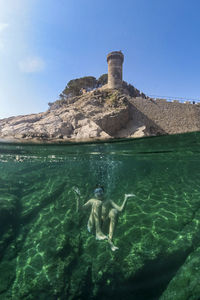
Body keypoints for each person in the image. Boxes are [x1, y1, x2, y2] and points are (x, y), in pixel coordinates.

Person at [73, 186, 135, 251]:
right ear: (94, 194)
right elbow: (79, 210)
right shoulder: (92, 201)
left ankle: (110, 241)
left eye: (100, 191)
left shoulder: (109, 201)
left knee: (114, 212)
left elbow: (120, 210)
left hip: (103, 228)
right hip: (92, 226)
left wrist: (126, 198)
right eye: (97, 192)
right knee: (98, 203)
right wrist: (78, 197)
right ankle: (98, 233)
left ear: (103, 192)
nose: (99, 193)